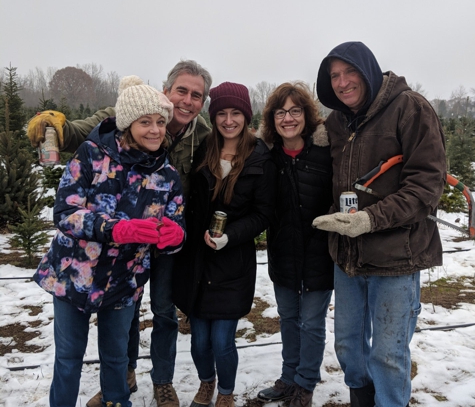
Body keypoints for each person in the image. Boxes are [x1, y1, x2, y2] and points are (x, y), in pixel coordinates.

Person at [27, 60, 212, 407]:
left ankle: (119, 400)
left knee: (115, 360)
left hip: (124, 281)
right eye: (146, 122)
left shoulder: (167, 174)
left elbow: (176, 223)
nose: (156, 130)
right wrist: (116, 229)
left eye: (160, 122)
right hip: (74, 275)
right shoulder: (92, 155)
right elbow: (65, 212)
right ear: (128, 123)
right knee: (68, 358)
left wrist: (177, 237)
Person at [312, 42, 446, 407]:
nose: (341, 83)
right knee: (347, 345)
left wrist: (371, 220)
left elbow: (425, 186)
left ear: (367, 70)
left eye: (348, 72)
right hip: (349, 257)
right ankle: (362, 397)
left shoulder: (409, 108)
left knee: (388, 353)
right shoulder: (337, 122)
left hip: (397, 256)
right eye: (334, 76)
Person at [173, 82, 277, 407]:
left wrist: (230, 236)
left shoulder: (260, 158)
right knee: (199, 341)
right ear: (213, 116)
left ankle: (226, 393)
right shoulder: (204, 150)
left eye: (235, 113)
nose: (228, 120)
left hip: (233, 263)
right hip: (198, 261)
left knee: (221, 340)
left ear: (246, 116)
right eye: (221, 113)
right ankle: (206, 383)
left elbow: (263, 214)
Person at [256, 82, 334, 407]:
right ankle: (288, 378)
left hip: (318, 256)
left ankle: (305, 384)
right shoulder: (267, 158)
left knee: (312, 322)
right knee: (288, 317)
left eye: (295, 110)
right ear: (272, 118)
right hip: (283, 254)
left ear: (306, 115)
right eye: (281, 112)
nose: (288, 118)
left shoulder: (324, 155)